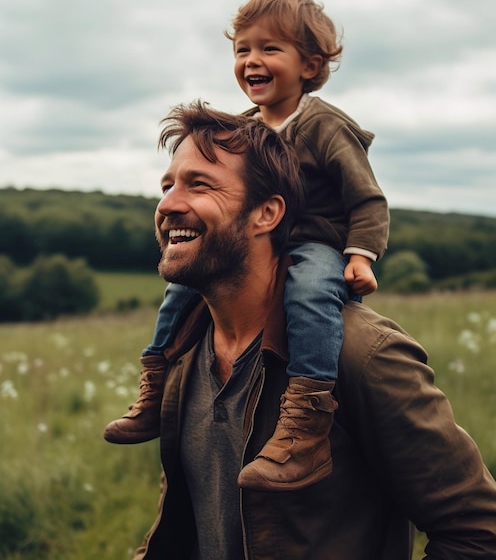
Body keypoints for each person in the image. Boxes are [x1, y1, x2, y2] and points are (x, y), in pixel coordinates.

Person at [130, 100, 496, 560]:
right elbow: (187, 526)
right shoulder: (183, 355)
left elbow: (478, 535)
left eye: (198, 186)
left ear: (268, 213)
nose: (168, 204)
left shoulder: (364, 356)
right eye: (167, 186)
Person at [104, 0, 390, 491]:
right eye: (242, 50)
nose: (252, 61)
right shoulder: (244, 130)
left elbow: (367, 198)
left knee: (309, 292)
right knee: (179, 290)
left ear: (310, 65)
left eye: (269, 49)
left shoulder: (324, 126)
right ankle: (156, 388)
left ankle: (306, 416)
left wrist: (360, 254)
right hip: (258, 242)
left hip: (316, 240)